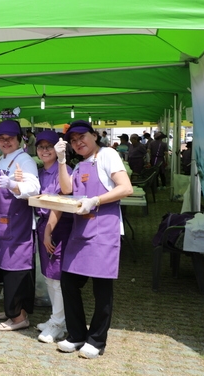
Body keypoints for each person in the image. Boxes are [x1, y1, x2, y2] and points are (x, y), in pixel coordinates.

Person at [54, 119, 133, 359]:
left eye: (82, 138)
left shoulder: (108, 155)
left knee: (102, 288)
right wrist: (61, 161)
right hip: (80, 231)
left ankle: (97, 340)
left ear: (94, 136)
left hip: (104, 231)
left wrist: (96, 200)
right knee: (68, 282)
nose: (78, 143)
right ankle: (76, 334)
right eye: (73, 141)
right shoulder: (78, 166)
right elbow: (67, 190)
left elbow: (126, 187)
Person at [0, 120, 40, 331]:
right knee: (7, 268)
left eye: (10, 138)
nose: (6, 142)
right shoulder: (2, 159)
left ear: (19, 140)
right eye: (2, 139)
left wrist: (14, 185)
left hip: (17, 223)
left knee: (16, 269)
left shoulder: (24, 160)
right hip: (2, 221)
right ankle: (17, 308)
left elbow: (33, 187)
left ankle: (18, 317)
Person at [34, 131, 73, 343]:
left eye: (49, 146)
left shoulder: (63, 170)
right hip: (43, 225)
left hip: (59, 227)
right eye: (41, 146)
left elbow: (59, 204)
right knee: (49, 275)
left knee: (57, 278)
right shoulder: (40, 172)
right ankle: (56, 318)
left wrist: (48, 232)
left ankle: (59, 324)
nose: (45, 150)